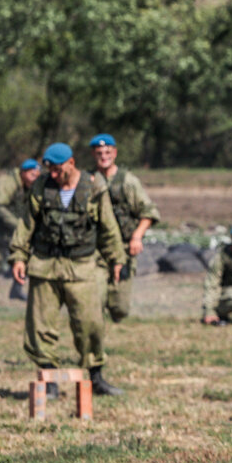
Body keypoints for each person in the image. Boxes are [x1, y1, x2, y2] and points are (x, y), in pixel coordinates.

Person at [9, 143, 127, 396]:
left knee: (90, 324)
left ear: (71, 163)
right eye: (49, 168)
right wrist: (19, 256)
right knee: (40, 326)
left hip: (81, 266)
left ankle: (95, 377)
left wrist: (117, 259)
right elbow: (26, 224)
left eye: (57, 168)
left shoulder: (94, 186)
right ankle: (49, 381)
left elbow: (108, 226)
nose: (52, 173)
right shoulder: (41, 187)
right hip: (44, 266)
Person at [88, 133, 161, 323]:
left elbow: (149, 211)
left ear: (115, 153)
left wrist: (137, 236)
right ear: (93, 155)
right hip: (97, 249)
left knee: (120, 308)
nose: (104, 157)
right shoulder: (88, 181)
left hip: (124, 247)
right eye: (99, 153)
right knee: (95, 297)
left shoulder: (128, 181)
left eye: (107, 152)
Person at [0, 159, 41, 304]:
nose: (35, 178)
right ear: (23, 172)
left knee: (25, 257)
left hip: (10, 229)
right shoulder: (8, 182)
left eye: (37, 175)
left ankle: (16, 290)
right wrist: (19, 226)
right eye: (32, 174)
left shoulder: (28, 187)